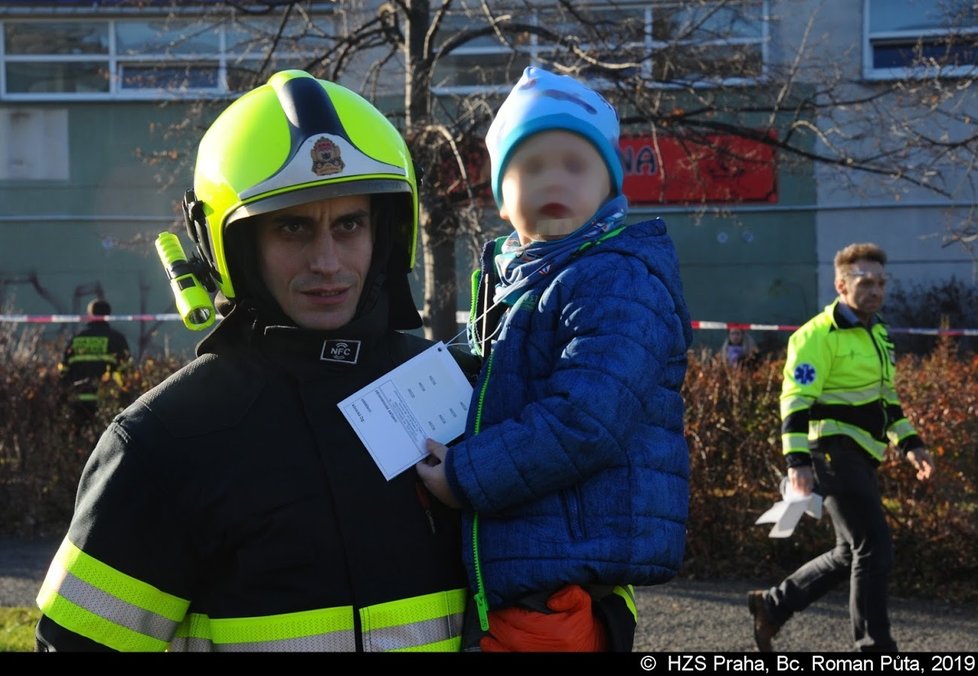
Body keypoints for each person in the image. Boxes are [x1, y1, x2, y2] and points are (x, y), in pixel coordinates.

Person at [33, 70, 605, 653]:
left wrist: (597, 619)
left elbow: (587, 546)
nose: (327, 261)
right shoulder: (165, 442)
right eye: (292, 227)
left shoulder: (464, 391)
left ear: (385, 232)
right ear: (233, 246)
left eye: (349, 224)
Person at [416, 66, 693, 652]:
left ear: (609, 184)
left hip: (562, 573)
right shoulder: (520, 278)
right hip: (528, 555)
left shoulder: (613, 278)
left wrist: (465, 475)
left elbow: (586, 418)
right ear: (500, 191)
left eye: (575, 164)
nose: (554, 180)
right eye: (532, 166)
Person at [747, 242, 935, 653]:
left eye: (881, 283)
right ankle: (874, 649)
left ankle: (773, 606)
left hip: (862, 456)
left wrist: (911, 444)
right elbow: (794, 400)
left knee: (850, 551)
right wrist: (797, 461)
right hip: (830, 452)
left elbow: (887, 402)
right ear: (840, 284)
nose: (876, 291)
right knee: (875, 548)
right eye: (865, 282)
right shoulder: (815, 335)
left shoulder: (879, 333)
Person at [58, 298, 131, 424]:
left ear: (89, 315)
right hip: (106, 405)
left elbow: (63, 372)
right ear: (108, 315)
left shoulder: (76, 339)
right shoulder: (116, 339)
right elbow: (127, 374)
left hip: (78, 404)